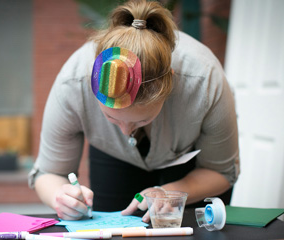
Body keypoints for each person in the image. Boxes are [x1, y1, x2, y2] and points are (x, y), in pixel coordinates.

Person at [28, 0, 240, 222]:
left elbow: (222, 172)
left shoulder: (205, 80)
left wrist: (170, 193)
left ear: (170, 85)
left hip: (192, 165)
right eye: (110, 117)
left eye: (141, 121)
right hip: (113, 156)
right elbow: (49, 173)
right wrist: (60, 196)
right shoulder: (72, 84)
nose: (126, 132)